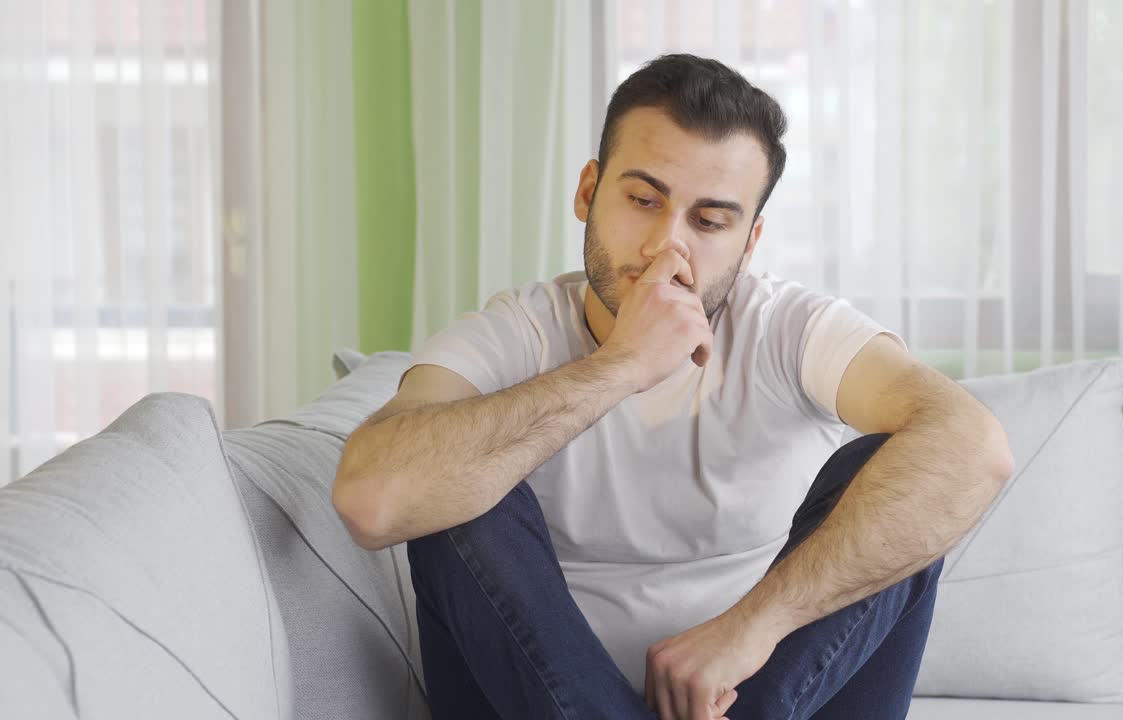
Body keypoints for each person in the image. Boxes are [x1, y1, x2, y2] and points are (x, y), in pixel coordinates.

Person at [333, 53, 1013, 720]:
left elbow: (974, 448)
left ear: (750, 243)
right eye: (642, 199)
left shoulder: (789, 328)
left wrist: (753, 628)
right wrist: (622, 364)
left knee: (907, 472)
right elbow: (371, 497)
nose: (667, 244)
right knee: (456, 482)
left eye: (710, 221)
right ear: (587, 191)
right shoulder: (514, 335)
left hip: (759, 704)